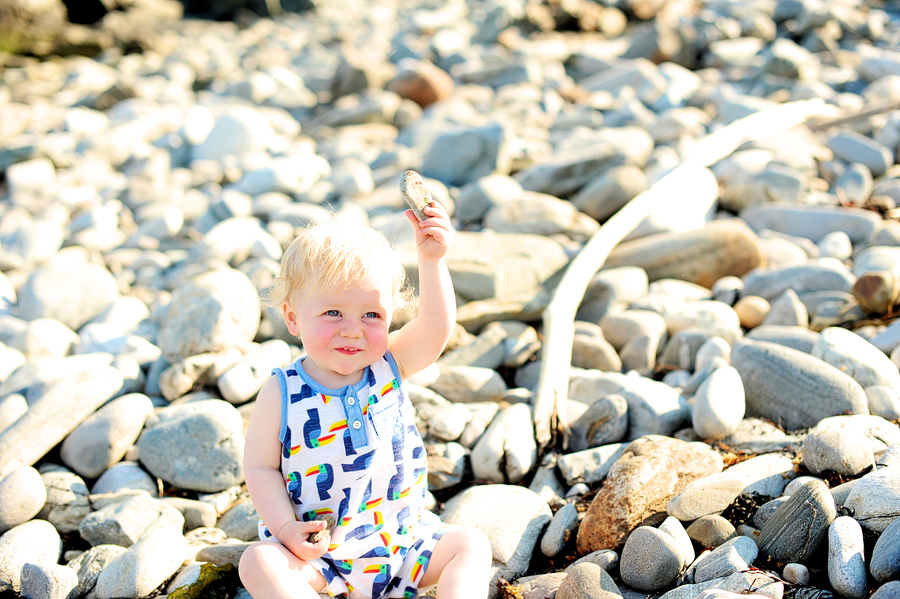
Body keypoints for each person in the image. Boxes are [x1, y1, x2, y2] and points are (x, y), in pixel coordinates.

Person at [239, 199, 492, 599]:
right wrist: (286, 529)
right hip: (322, 559)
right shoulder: (283, 389)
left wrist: (432, 261)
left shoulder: (391, 364)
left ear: (392, 314)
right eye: (333, 313)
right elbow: (260, 468)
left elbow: (436, 327)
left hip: (405, 544)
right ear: (292, 318)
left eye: (372, 315)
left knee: (471, 546)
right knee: (258, 562)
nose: (353, 331)